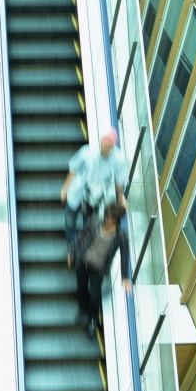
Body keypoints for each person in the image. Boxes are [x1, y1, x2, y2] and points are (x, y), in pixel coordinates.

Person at [60, 129, 128, 267]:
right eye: (105, 144)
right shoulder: (87, 153)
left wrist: (120, 197)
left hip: (96, 198)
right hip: (78, 192)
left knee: (89, 226)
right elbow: (73, 169)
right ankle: (71, 250)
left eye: (110, 146)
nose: (107, 148)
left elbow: (120, 179)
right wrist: (65, 188)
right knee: (70, 222)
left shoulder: (118, 159)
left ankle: (80, 251)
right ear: (101, 142)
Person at [74, 202, 132, 337]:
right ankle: (83, 310)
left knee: (95, 296)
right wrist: (73, 252)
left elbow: (125, 255)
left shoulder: (120, 236)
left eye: (111, 220)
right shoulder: (95, 224)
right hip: (83, 262)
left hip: (98, 269)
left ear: (117, 220)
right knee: (81, 288)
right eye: (106, 218)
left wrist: (124, 277)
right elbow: (81, 236)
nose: (107, 222)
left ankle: (92, 319)